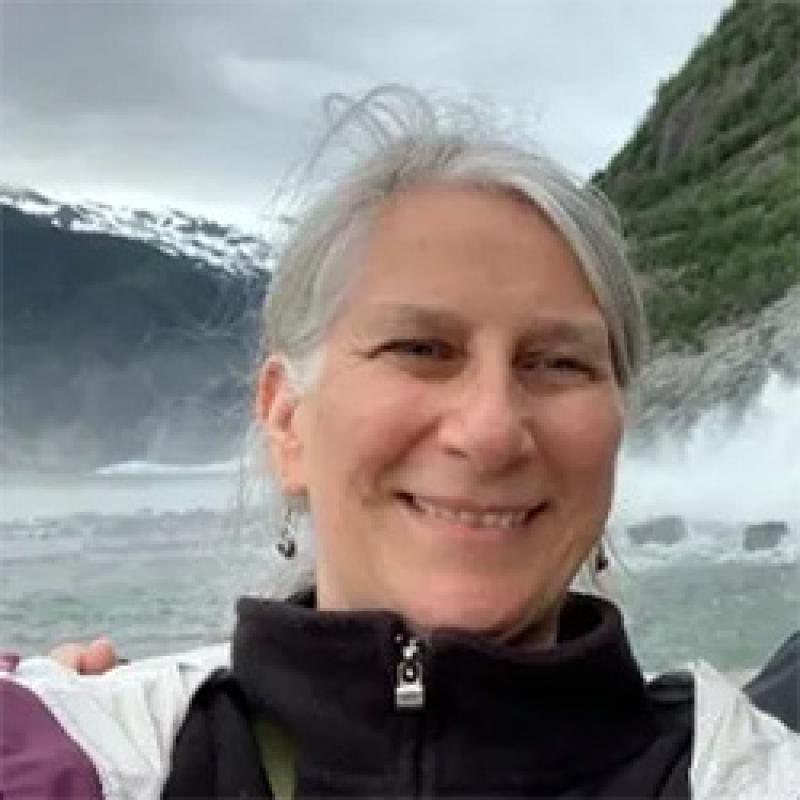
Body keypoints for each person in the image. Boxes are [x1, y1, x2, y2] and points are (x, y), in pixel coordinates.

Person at [2, 86, 798, 799]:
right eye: (422, 349)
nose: (490, 431)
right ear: (286, 420)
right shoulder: (91, 761)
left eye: (558, 363)